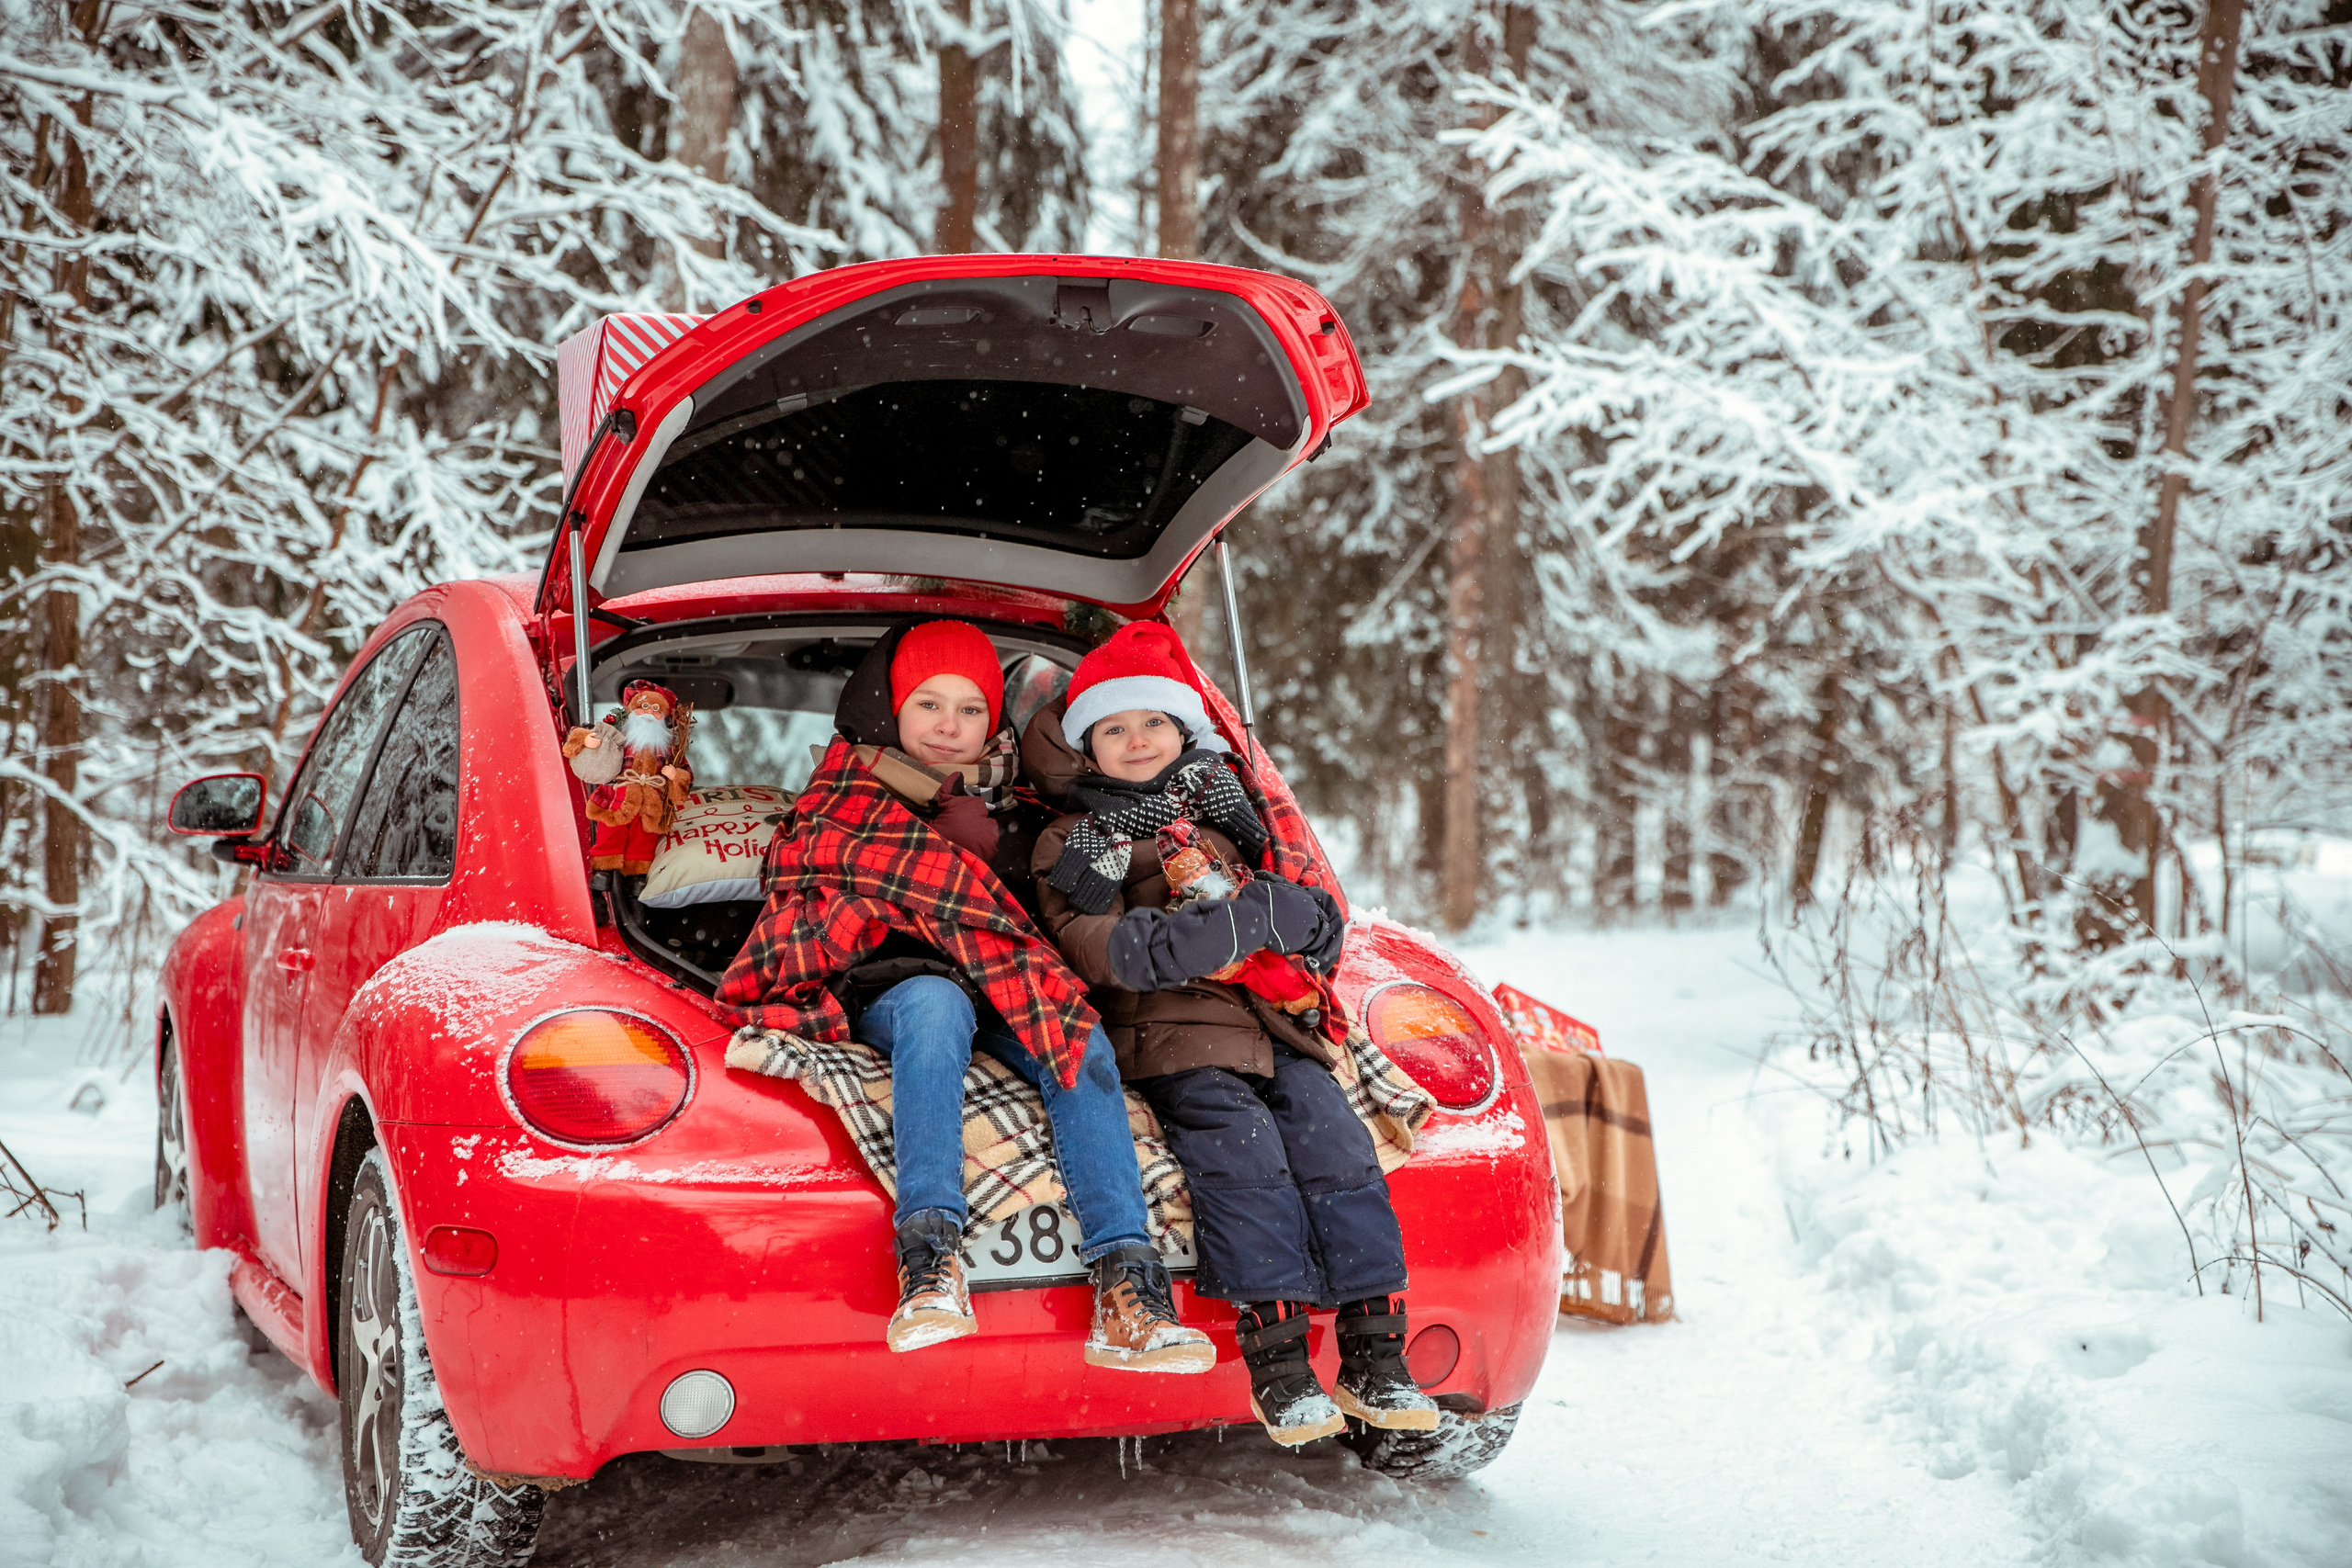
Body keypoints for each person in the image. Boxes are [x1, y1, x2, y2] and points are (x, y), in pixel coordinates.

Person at [718, 619, 1213, 1373]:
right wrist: (940, 863)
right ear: (890, 711)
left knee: (1074, 1035)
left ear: (995, 719)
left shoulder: (1021, 806)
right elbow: (805, 899)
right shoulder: (843, 796)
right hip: (894, 984)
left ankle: (1127, 1286)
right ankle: (932, 1260)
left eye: (971, 709)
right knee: (932, 1005)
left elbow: (1032, 934)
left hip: (999, 986)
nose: (950, 727)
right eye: (929, 704)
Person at [1026, 621, 1440, 1446]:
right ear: (1086, 745)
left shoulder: (1226, 815)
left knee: (1337, 1145)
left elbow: (1307, 907)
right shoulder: (1076, 840)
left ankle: (1375, 1355)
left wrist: (1300, 918)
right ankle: (1279, 1364)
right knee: (1242, 1153)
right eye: (1115, 727)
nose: (1137, 740)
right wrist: (1219, 933)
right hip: (1169, 1036)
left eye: (1153, 723)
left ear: (1183, 731)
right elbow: (1094, 944)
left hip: (1272, 1028)